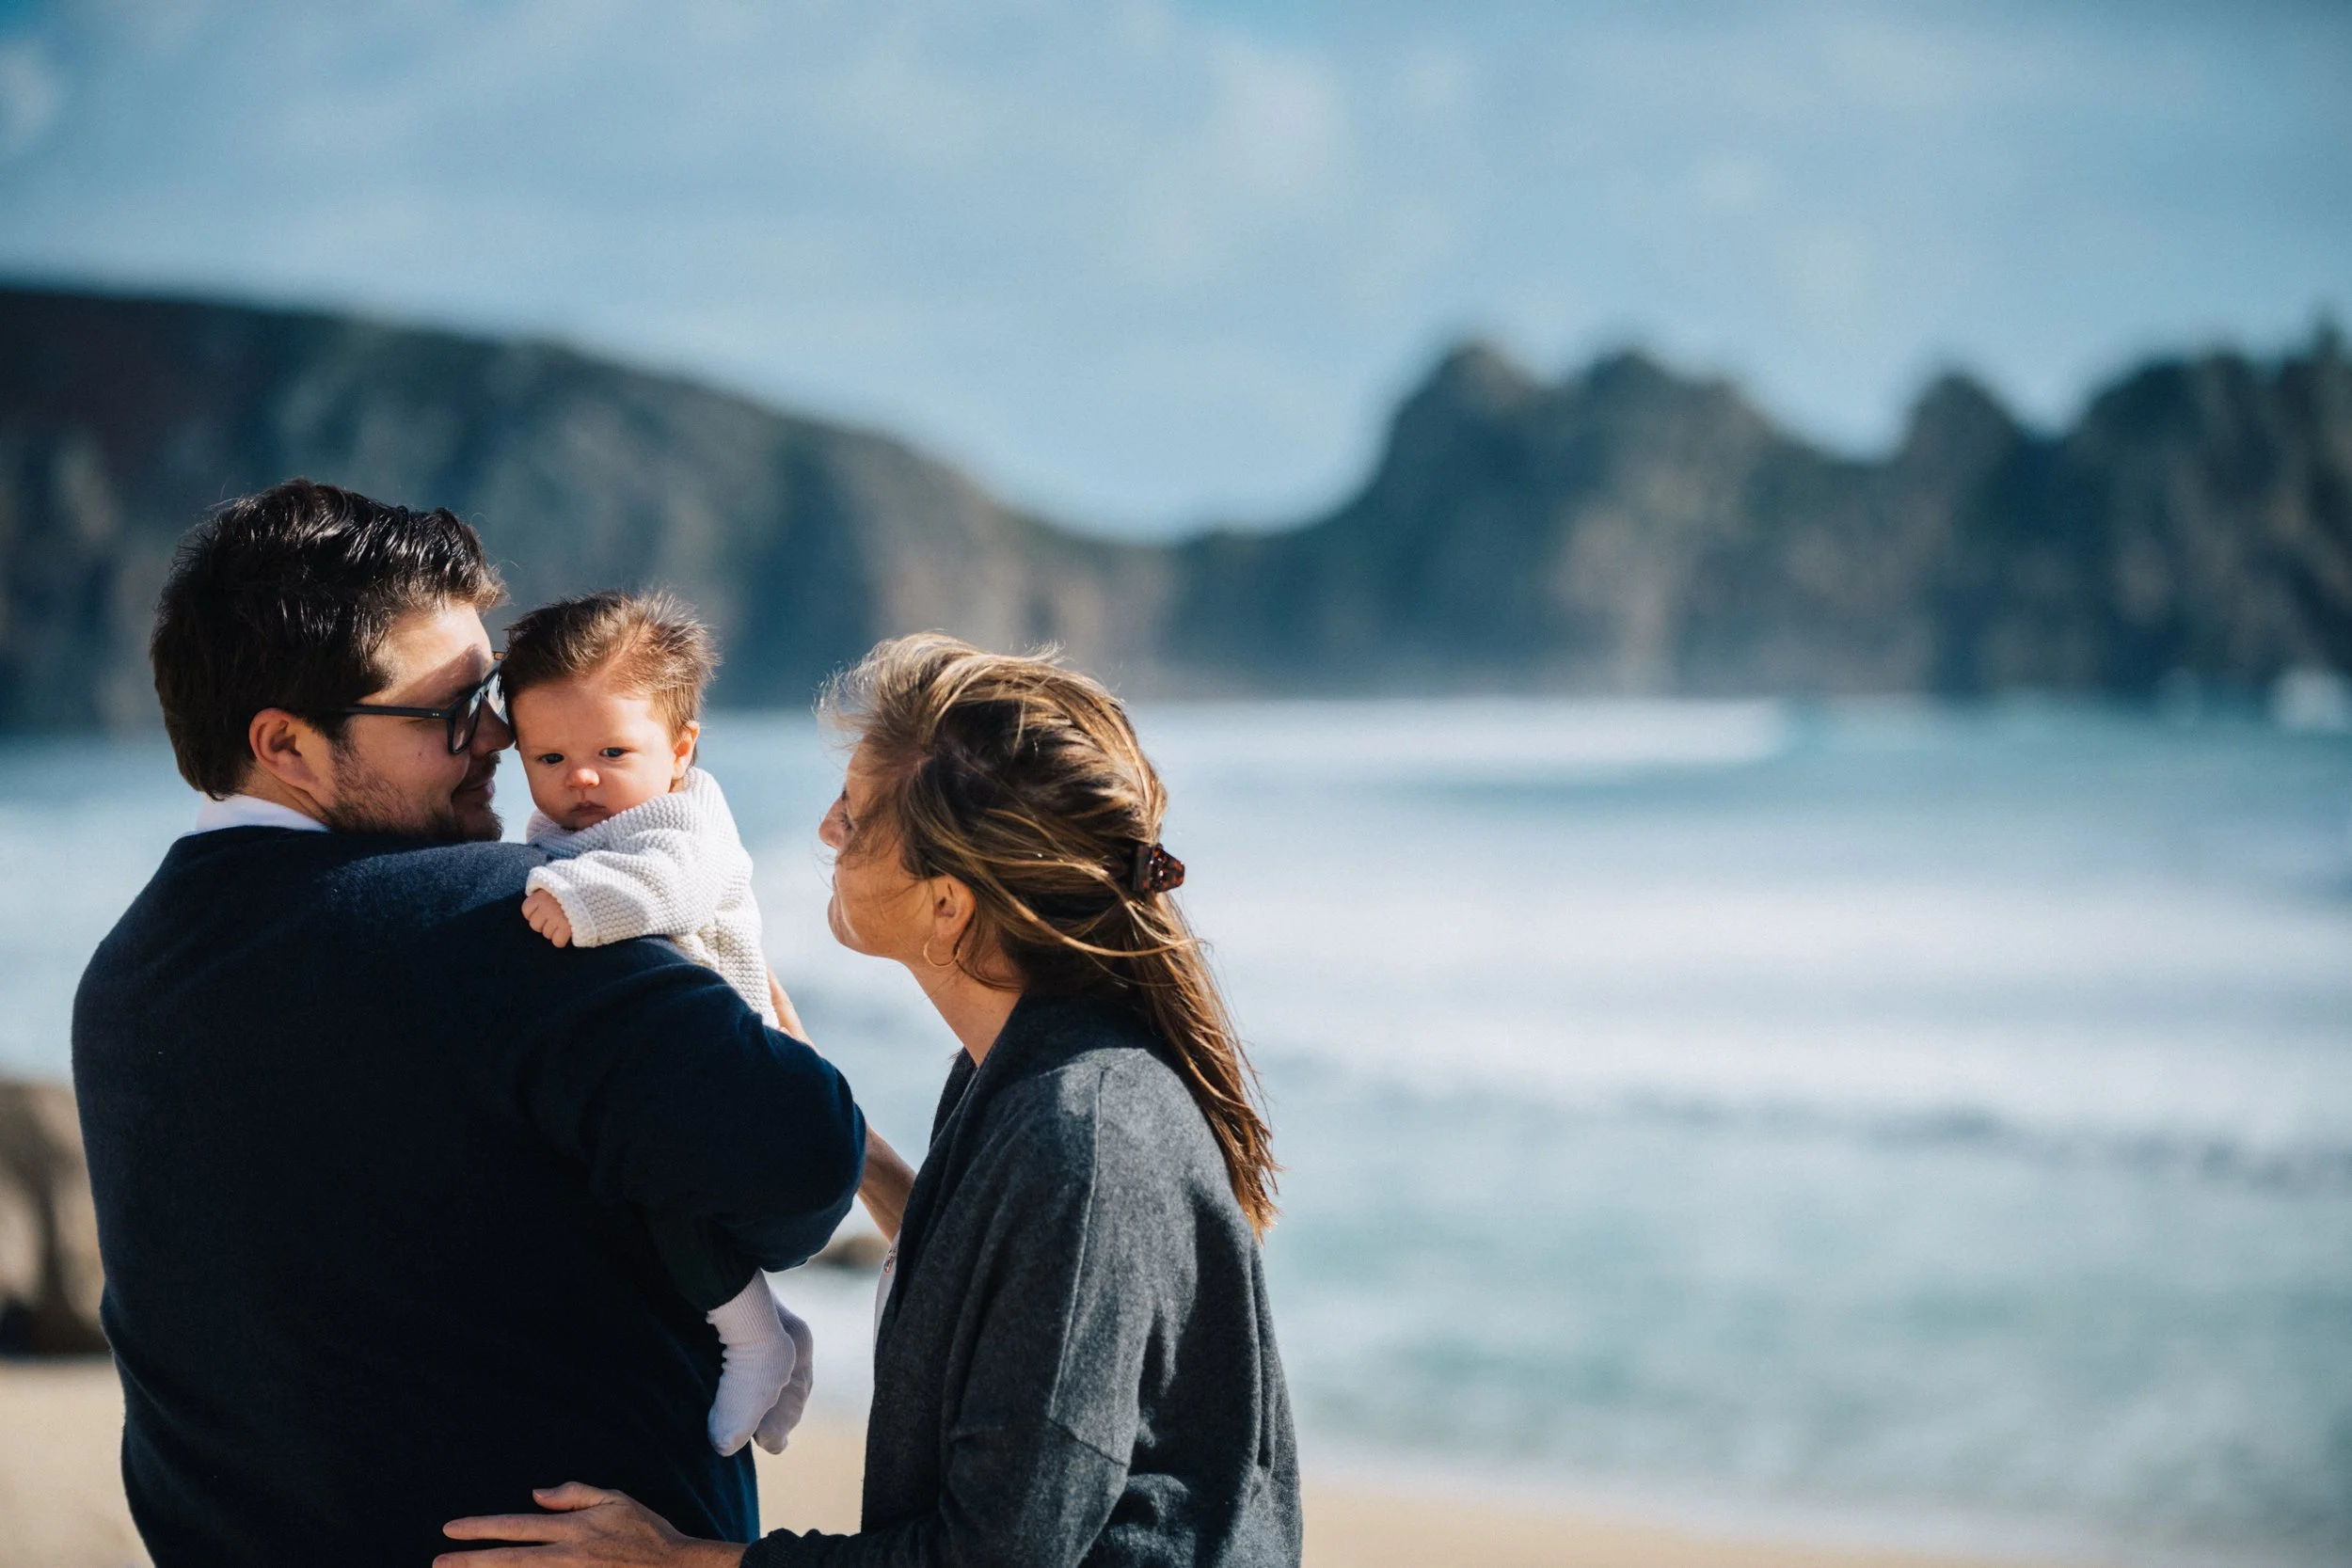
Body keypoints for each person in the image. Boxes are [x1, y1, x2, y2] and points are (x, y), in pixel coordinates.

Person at [71, 480, 885, 1568]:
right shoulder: (509, 926)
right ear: (287, 743)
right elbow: (798, 1174)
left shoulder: (122, 979)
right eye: (449, 711)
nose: (499, 734)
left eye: (491, 694)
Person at [440, 634, 1303, 1568]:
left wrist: (673, 1558)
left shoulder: (1083, 1138)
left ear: (947, 904)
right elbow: (987, 1266)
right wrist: (842, 1126)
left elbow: (995, 1553)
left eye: (853, 816)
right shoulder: (1020, 1067)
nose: (823, 831)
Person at [502, 589, 818, 1459]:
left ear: (679, 750)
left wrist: (578, 903)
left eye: (613, 750)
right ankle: (777, 1327)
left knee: (667, 1196)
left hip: (731, 1070)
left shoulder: (686, 825)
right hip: (673, 1067)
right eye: (551, 755)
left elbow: (671, 888)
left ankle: (757, 1340)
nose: (583, 777)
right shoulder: (568, 828)